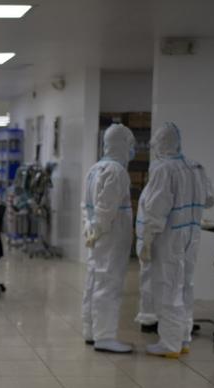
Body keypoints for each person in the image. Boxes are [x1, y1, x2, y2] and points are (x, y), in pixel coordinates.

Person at [136, 122, 214, 357]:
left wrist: (146, 240)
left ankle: (169, 344)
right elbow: (210, 199)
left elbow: (155, 209)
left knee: (168, 287)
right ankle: (183, 338)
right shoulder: (196, 167)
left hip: (169, 237)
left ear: (161, 144)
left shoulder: (163, 170)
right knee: (186, 286)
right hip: (192, 235)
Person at [80, 123, 135, 353]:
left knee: (95, 280)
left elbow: (86, 205)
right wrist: (99, 227)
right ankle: (105, 337)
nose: (133, 149)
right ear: (122, 144)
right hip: (110, 236)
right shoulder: (117, 171)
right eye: (131, 144)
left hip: (98, 235)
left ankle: (91, 330)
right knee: (108, 282)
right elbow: (107, 207)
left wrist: (90, 228)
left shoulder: (95, 169)